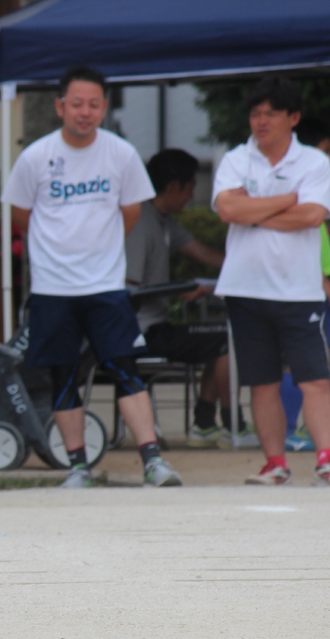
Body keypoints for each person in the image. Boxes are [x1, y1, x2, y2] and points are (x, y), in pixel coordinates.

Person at [1, 65, 182, 489]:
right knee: (63, 375)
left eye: (94, 105)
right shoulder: (36, 157)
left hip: (106, 287)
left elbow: (131, 212)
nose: (85, 112)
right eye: (77, 104)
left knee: (125, 368)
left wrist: (99, 249)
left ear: (104, 108)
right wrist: (58, 247)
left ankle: (153, 461)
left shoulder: (121, 154)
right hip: (52, 288)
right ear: (60, 106)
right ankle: (77, 467)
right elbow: (20, 215)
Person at [212, 77, 330, 486]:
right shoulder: (236, 159)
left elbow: (312, 216)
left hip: (299, 290)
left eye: (271, 114)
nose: (261, 122)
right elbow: (227, 210)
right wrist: (288, 200)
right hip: (244, 288)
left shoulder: (313, 162)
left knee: (314, 378)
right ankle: (275, 464)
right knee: (262, 383)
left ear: (293, 118)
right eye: (255, 114)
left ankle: (328, 461)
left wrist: (253, 211)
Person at [125, 148, 232, 447]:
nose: (191, 196)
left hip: (157, 326)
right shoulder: (140, 224)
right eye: (190, 188)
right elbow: (129, 286)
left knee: (224, 336)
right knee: (229, 337)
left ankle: (206, 422)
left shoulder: (163, 221)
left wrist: (247, 266)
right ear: (173, 187)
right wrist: (176, 289)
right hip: (142, 331)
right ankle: (226, 423)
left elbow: (204, 254)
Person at [281, 119, 330, 450]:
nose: (329, 159)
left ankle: (301, 427)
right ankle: (291, 428)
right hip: (307, 286)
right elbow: (299, 244)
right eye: (325, 151)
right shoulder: (301, 190)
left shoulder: (314, 188)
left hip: (311, 283)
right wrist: (323, 282)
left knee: (328, 351)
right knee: (310, 358)